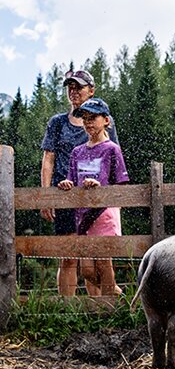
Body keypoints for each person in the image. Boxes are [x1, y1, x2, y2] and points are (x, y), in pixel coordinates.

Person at [40, 70, 120, 296]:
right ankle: (67, 311)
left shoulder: (104, 121)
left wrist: (109, 195)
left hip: (94, 198)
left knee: (97, 260)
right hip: (64, 196)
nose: (74, 92)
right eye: (70, 88)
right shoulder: (57, 123)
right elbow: (48, 159)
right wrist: (47, 196)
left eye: (79, 87)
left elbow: (113, 157)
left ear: (91, 90)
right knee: (68, 257)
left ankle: (101, 308)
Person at [58, 98, 129, 297]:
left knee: (104, 264)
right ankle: (117, 294)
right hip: (83, 216)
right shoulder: (76, 152)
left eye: (93, 118)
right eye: (85, 118)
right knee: (87, 269)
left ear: (106, 120)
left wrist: (101, 188)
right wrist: (66, 184)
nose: (88, 122)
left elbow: (121, 185)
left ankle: (108, 309)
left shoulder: (112, 149)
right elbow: (72, 180)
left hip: (104, 213)